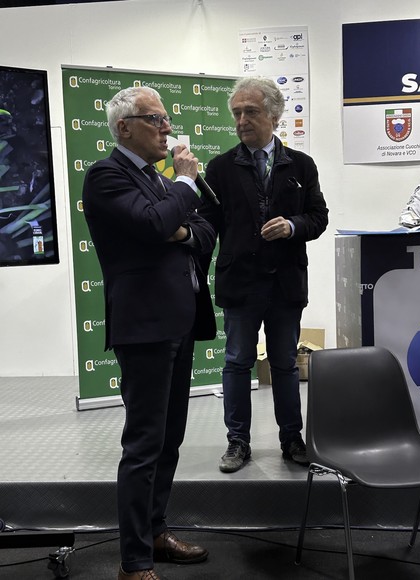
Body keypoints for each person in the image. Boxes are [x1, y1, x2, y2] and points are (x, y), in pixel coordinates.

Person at [82, 86, 216, 580]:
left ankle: (156, 531)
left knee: (169, 440)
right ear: (124, 128)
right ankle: (134, 561)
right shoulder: (107, 176)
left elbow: (204, 231)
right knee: (143, 446)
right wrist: (184, 186)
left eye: (166, 118)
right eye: (155, 119)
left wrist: (178, 226)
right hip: (144, 328)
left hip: (179, 320)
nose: (167, 128)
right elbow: (156, 222)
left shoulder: (156, 180)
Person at [198, 76, 329, 473]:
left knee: (285, 363)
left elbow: (318, 217)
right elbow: (206, 224)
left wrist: (292, 225)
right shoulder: (220, 168)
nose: (241, 120)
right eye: (236, 113)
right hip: (240, 282)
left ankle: (292, 438)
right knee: (238, 361)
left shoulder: (301, 165)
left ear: (274, 115)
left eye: (251, 112)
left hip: (285, 283)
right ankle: (238, 441)